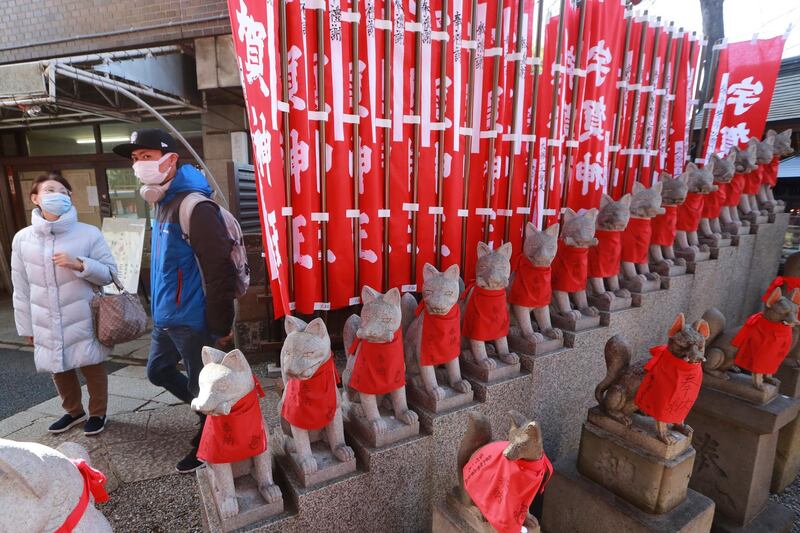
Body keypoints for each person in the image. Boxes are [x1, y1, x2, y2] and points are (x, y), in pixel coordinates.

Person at [113, 129, 237, 473]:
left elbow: (219, 271)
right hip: (167, 317)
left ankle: (209, 439)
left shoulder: (194, 207)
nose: (140, 165)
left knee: (204, 385)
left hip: (194, 320)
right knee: (158, 371)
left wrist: (220, 325)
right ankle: (208, 412)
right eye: (136, 159)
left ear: (171, 160)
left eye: (147, 157)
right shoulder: (162, 203)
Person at [11, 172, 118, 436]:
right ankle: (73, 412)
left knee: (91, 364)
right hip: (44, 316)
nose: (56, 195)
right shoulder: (22, 238)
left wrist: (80, 264)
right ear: (35, 198)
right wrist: (26, 327)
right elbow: (21, 287)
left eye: (62, 191)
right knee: (57, 366)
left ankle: (98, 413)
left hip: (82, 312)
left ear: (69, 197)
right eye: (49, 190)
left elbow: (110, 273)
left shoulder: (88, 233)